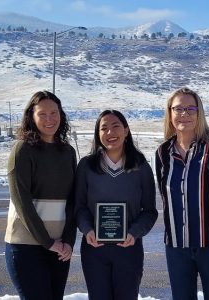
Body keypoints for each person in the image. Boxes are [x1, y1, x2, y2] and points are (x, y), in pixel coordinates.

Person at [155, 87, 209, 300]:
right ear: (170, 113)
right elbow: (166, 195)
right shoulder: (162, 153)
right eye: (178, 108)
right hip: (177, 246)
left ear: (199, 112)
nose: (184, 114)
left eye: (190, 108)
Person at [74, 109, 158, 300]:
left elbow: (150, 211)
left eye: (115, 126)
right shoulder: (86, 166)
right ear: (98, 134)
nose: (110, 133)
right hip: (94, 250)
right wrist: (88, 230)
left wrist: (134, 233)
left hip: (129, 249)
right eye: (104, 128)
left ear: (126, 130)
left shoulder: (140, 166)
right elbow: (79, 207)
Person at [4, 91, 77, 300]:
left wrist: (68, 242)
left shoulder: (68, 153)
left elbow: (72, 201)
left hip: (59, 247)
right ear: (31, 117)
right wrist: (47, 242)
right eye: (42, 114)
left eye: (54, 113)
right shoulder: (22, 150)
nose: (49, 119)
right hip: (25, 246)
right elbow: (22, 202)